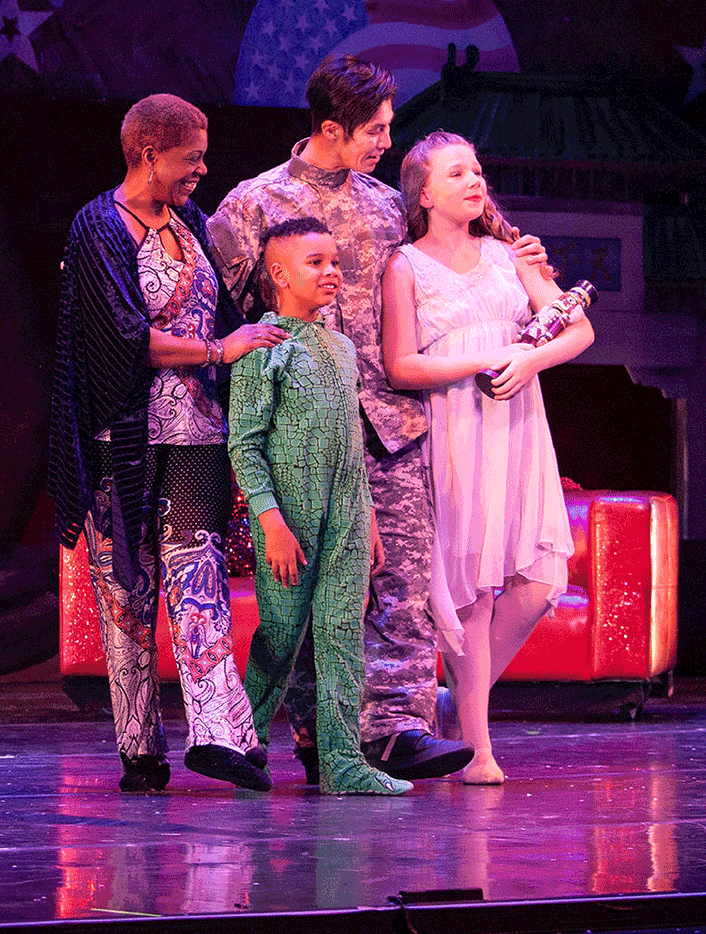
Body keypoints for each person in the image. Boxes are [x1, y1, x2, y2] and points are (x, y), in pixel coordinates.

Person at [209, 56, 483, 782]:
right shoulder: (250, 206)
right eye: (374, 131)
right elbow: (221, 315)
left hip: (389, 421)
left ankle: (398, 729)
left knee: (404, 584)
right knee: (309, 592)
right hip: (302, 429)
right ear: (331, 128)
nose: (387, 143)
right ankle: (316, 733)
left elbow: (452, 255)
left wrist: (518, 259)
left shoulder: (390, 206)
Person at [50, 93, 289, 793]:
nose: (202, 170)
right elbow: (123, 338)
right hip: (122, 438)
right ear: (149, 154)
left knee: (199, 575)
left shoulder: (191, 223)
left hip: (197, 437)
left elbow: (227, 311)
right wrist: (217, 351)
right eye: (192, 158)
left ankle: (219, 735)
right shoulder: (98, 227)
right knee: (126, 592)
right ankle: (139, 748)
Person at [381, 131, 594, 784]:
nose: (474, 181)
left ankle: (457, 705)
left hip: (518, 426)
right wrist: (487, 357)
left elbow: (578, 328)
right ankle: (478, 749)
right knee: (472, 589)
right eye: (456, 173)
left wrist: (529, 360)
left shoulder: (510, 254)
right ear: (423, 194)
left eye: (476, 170)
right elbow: (401, 364)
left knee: (540, 586)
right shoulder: (405, 266)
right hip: (456, 429)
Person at [228, 217, 411, 796]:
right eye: (316, 263)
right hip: (289, 516)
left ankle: (342, 761)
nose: (332, 272)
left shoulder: (342, 347)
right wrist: (272, 523)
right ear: (279, 275)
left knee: (341, 635)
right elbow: (245, 445)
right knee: (282, 636)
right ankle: (244, 746)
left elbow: (351, 442)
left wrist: (369, 518)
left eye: (335, 261)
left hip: (348, 516)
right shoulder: (263, 347)